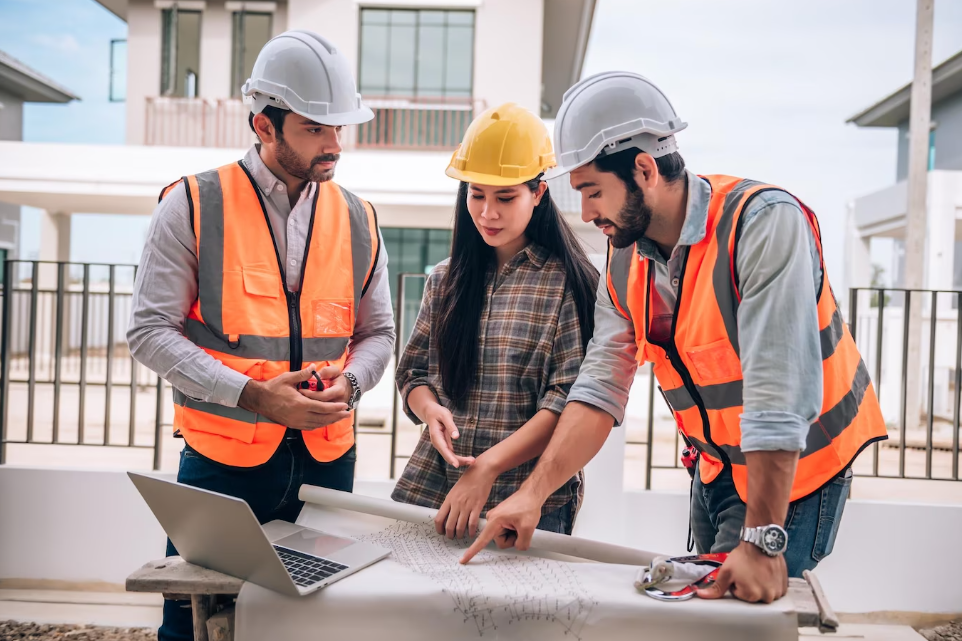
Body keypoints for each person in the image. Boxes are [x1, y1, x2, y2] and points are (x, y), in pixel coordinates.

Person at [461, 72, 887, 604]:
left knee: (741, 617)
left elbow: (777, 392)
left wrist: (760, 541)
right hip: (715, 471)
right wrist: (532, 494)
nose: (587, 214)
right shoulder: (624, 257)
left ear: (644, 169)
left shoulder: (762, 224)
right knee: (703, 614)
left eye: (594, 192)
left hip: (796, 471)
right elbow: (598, 389)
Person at [127, 30, 395, 640]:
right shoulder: (192, 203)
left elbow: (379, 334)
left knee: (310, 626)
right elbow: (148, 332)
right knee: (193, 623)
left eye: (339, 128)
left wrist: (351, 383)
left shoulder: (359, 217)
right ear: (264, 125)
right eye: (314, 127)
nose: (333, 144)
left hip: (329, 463)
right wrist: (256, 397)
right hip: (222, 465)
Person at [391, 103, 599, 539]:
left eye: (505, 198)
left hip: (526, 500)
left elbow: (565, 403)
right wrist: (431, 413)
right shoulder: (445, 280)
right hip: (436, 488)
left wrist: (487, 467)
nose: (487, 213)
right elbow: (412, 373)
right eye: (476, 195)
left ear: (539, 194)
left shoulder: (569, 285)